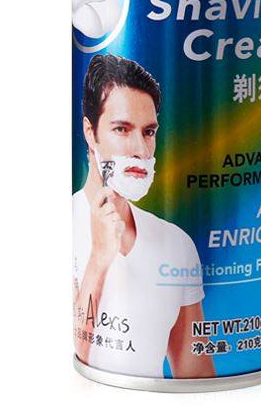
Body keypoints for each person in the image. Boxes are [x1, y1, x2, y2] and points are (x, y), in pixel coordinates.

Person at [72, 54, 215, 378]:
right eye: (122, 129)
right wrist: (99, 258)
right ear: (90, 132)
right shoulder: (68, 222)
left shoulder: (176, 243)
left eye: (149, 132)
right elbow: (76, 352)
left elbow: (196, 373)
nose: (140, 149)